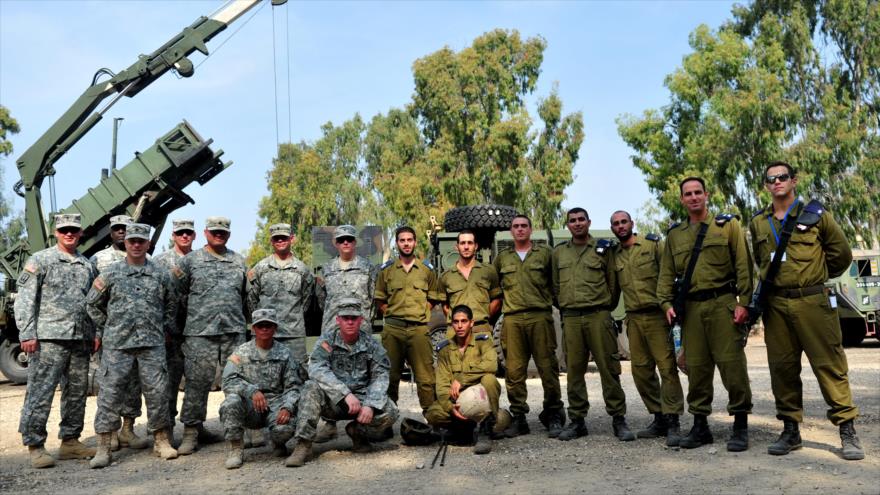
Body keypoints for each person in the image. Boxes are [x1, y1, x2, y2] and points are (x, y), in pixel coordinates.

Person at [749, 161, 864, 460]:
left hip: (813, 300)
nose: (777, 182)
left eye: (782, 177)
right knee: (783, 368)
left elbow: (842, 254)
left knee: (829, 364)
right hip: (776, 305)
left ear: (794, 181)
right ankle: (790, 430)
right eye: (771, 179)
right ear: (766, 185)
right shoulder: (759, 222)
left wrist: (815, 274)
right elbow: (760, 262)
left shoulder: (816, 214)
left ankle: (847, 431)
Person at [657, 176, 754, 452]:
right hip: (692, 310)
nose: (693, 197)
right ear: (682, 199)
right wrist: (666, 304)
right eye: (688, 194)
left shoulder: (727, 226)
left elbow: (743, 266)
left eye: (698, 192)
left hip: (722, 303)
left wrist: (744, 303)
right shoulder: (675, 235)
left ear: (706, 195)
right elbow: (665, 275)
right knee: (697, 369)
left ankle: (740, 424)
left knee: (732, 365)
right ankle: (700, 426)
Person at [86, 223, 179, 468]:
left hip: (152, 344)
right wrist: (108, 327)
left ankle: (161, 441)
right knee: (109, 394)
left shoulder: (161, 274)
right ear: (125, 243)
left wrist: (165, 328)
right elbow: (92, 304)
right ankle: (104, 447)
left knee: (158, 393)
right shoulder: (111, 274)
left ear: (148, 244)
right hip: (118, 345)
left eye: (141, 241)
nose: (136, 245)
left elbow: (172, 305)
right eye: (132, 241)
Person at [16, 213, 97, 468]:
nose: (69, 234)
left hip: (80, 338)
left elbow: (92, 302)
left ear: (80, 232)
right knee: (41, 392)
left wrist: (95, 332)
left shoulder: (87, 264)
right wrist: (27, 333)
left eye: (74, 229)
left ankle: (70, 441)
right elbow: (26, 299)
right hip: (49, 338)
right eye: (64, 230)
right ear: (56, 232)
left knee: (76, 393)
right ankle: (35, 444)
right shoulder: (41, 260)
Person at [286, 299, 398, 467]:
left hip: (360, 401)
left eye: (354, 318)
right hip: (334, 401)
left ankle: (357, 432)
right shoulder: (327, 342)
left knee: (391, 411)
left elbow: (380, 376)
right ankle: (303, 444)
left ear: (361, 320)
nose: (350, 322)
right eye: (346, 318)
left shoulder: (372, 345)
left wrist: (370, 405)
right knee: (310, 387)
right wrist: (344, 393)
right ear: (338, 320)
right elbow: (316, 369)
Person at [552, 207, 633, 442]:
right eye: (572, 220)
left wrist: (605, 306)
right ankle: (577, 420)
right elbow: (555, 287)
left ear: (588, 222)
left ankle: (619, 418)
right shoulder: (559, 254)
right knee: (574, 371)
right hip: (572, 318)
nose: (577, 224)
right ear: (567, 225)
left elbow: (613, 283)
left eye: (581, 220)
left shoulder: (603, 249)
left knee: (609, 368)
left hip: (599, 315)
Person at [173, 216, 249, 455]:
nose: (219, 235)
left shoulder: (239, 261)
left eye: (223, 232)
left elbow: (247, 297)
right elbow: (176, 296)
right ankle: (191, 432)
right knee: (197, 383)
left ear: (229, 234)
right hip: (199, 332)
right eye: (215, 231)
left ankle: (239, 430)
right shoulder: (189, 262)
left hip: (232, 332)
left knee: (236, 382)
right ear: (205, 233)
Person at [610, 210, 684, 446]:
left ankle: (673, 421)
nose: (621, 226)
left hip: (657, 315)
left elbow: (669, 275)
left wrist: (671, 307)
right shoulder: (614, 255)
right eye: (616, 224)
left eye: (624, 222)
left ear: (632, 223)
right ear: (612, 228)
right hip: (633, 318)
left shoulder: (652, 245)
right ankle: (659, 416)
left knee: (667, 368)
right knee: (641, 371)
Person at [493, 214, 565, 437]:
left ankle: (553, 413)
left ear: (531, 230)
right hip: (513, 319)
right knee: (514, 372)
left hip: (540, 317)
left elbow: (556, 285)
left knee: (548, 367)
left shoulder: (545, 254)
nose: (520, 229)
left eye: (524, 226)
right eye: (516, 226)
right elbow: (496, 289)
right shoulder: (502, 258)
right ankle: (519, 417)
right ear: (511, 231)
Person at [313, 224, 377, 442]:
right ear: (336, 244)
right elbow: (321, 299)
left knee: (363, 374)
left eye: (349, 239)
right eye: (341, 240)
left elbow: (372, 297)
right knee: (330, 372)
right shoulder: (327, 269)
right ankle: (329, 424)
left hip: (360, 330)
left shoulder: (368, 267)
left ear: (355, 242)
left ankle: (362, 423)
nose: (346, 243)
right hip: (333, 329)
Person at [219, 309, 307, 469]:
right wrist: (251, 391)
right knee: (230, 403)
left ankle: (277, 441)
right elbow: (227, 381)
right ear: (253, 328)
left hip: (275, 404)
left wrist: (287, 407)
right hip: (250, 405)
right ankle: (235, 448)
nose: (264, 329)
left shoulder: (285, 353)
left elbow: (294, 386)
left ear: (275, 328)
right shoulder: (241, 352)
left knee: (284, 430)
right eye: (260, 326)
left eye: (268, 325)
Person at [90, 214, 148, 450]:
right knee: (111, 385)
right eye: (117, 229)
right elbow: (93, 298)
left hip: (141, 337)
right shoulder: (99, 259)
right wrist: (104, 328)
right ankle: (110, 433)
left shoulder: (147, 259)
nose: (122, 231)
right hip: (113, 337)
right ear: (112, 232)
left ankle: (128, 429)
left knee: (134, 384)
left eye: (126, 228)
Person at [375, 226, 441, 413]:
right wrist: (392, 313)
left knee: (426, 377)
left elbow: (433, 298)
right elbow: (380, 299)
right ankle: (385, 420)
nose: (406, 243)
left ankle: (432, 417)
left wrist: (420, 312)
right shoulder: (387, 271)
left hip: (419, 330)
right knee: (389, 376)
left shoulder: (426, 270)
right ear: (397, 244)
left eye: (409, 240)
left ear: (415, 242)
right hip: (393, 331)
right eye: (402, 240)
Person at [425, 305, 505, 454]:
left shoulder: (483, 342)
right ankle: (465, 428)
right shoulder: (445, 350)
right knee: (433, 414)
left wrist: (462, 379)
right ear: (452, 324)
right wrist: (450, 408)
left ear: (472, 323)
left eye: (464, 321)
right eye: (456, 322)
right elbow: (442, 387)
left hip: (481, 397)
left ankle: (487, 427)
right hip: (459, 401)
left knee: (489, 379)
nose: (460, 326)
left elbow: (492, 365)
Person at [247, 223, 315, 364]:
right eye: (276, 238)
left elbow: (306, 301)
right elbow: (252, 300)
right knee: (264, 373)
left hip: (293, 334)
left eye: (283, 238)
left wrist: (292, 320)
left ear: (292, 238)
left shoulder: (302, 270)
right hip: (265, 334)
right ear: (271, 241)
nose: (280, 241)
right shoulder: (260, 268)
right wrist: (262, 323)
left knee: (297, 375)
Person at [153, 219, 195, 438]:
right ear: (173, 235)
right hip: (170, 334)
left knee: (196, 384)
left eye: (188, 233)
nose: (184, 236)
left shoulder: (199, 260)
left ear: (195, 235)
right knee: (168, 384)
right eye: (180, 233)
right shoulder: (160, 262)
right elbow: (155, 297)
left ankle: (194, 427)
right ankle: (166, 430)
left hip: (195, 332)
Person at [437, 230, 502, 336]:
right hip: (455, 333)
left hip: (481, 330)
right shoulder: (446, 276)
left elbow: (497, 300)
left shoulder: (488, 271)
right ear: (456, 246)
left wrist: (483, 315)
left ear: (476, 246)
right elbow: (444, 305)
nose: (466, 247)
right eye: (462, 243)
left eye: (470, 243)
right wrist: (458, 320)